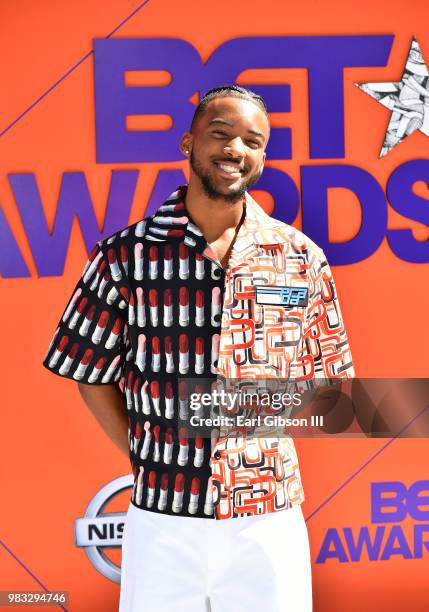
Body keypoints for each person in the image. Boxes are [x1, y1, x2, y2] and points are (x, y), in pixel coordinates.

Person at [42, 85, 354, 612]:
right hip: (161, 520)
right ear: (188, 143)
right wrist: (150, 456)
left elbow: (328, 387)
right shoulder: (125, 256)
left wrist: (239, 417)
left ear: (262, 157)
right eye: (220, 133)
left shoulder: (299, 257)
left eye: (252, 141)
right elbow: (86, 370)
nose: (235, 148)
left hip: (268, 518)